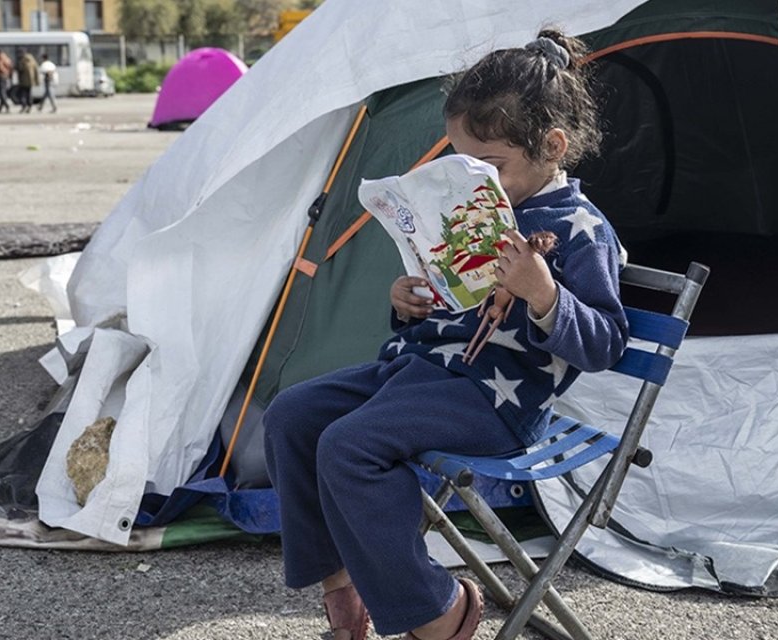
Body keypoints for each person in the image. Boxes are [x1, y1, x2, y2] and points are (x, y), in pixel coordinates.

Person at [262, 29, 627, 640]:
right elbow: (452, 306)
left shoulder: (580, 230)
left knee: (350, 447)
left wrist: (544, 294)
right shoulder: (472, 214)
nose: (474, 180)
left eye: (493, 166)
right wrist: (411, 305)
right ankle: (345, 584)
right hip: (419, 375)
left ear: (553, 146)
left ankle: (439, 613)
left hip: (493, 401)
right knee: (291, 415)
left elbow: (605, 342)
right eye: (462, 162)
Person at [14, 49, 39, 113]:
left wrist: (17, 63)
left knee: (23, 94)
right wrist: (37, 80)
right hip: (31, 80)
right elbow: (36, 70)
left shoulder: (22, 61)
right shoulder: (33, 60)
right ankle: (29, 106)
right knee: (29, 94)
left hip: (23, 81)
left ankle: (24, 106)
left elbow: (20, 68)